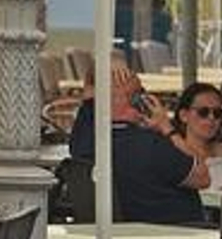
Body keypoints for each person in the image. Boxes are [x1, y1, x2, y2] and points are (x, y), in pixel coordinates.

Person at [69, 63, 208, 225]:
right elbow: (203, 177)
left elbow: (88, 99)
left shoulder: (84, 141)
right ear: (138, 100)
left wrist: (95, 73)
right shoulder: (153, 146)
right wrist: (166, 126)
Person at [170, 82, 222, 191]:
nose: (211, 118)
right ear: (184, 115)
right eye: (203, 112)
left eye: (217, 113)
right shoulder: (172, 155)